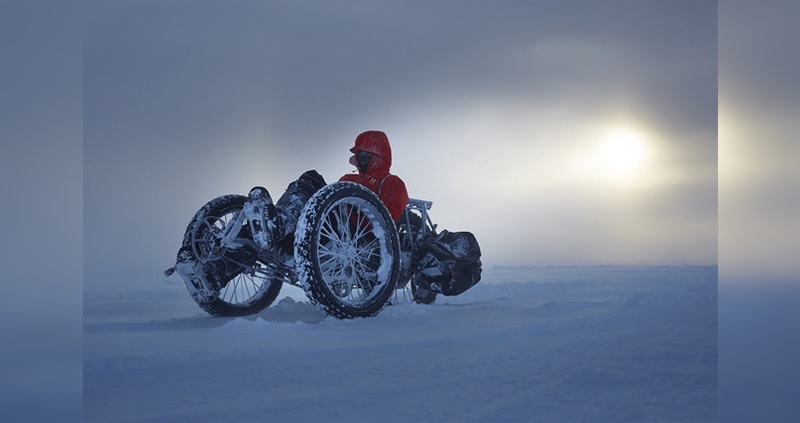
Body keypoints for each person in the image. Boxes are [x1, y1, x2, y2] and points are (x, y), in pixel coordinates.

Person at [339, 130, 409, 221]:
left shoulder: (392, 182)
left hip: (364, 229)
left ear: (380, 157)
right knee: (314, 179)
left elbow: (387, 218)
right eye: (360, 153)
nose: (363, 157)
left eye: (368, 154)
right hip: (337, 222)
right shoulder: (348, 179)